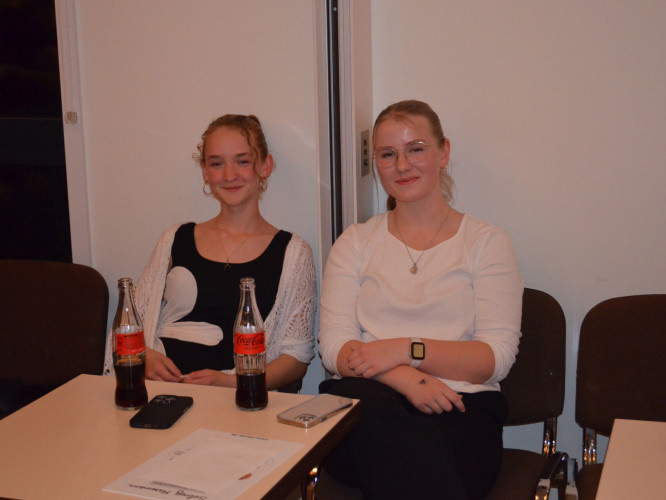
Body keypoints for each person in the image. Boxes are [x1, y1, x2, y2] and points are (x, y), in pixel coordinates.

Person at [317, 100, 523, 499]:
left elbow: (495, 358)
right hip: (369, 402)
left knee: (401, 453)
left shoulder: (486, 242)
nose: (402, 165)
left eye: (416, 149)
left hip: (460, 409)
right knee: (363, 409)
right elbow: (333, 347)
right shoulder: (355, 242)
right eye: (387, 154)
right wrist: (406, 377)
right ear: (376, 164)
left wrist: (404, 350)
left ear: (443, 153)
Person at [103, 114, 316, 391]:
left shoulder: (293, 253)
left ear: (265, 166)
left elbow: (297, 357)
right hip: (160, 392)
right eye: (216, 163)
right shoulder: (174, 239)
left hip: (237, 401)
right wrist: (145, 357)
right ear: (205, 171)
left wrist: (234, 383)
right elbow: (129, 326)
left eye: (242, 161)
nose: (229, 175)